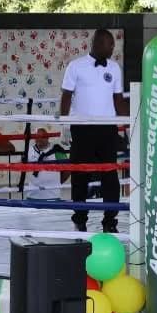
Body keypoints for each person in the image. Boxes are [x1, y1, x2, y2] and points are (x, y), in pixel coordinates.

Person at [61, 29, 127, 235]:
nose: (112, 48)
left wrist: (129, 121)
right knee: (80, 175)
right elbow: (66, 96)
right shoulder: (76, 66)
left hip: (107, 129)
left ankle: (110, 220)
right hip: (82, 128)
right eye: (109, 44)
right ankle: (80, 219)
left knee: (110, 175)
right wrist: (64, 124)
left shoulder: (115, 68)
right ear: (97, 43)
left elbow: (118, 99)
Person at [25, 130, 67, 200]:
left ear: (47, 138)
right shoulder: (29, 150)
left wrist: (56, 184)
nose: (40, 139)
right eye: (37, 137)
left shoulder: (57, 150)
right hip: (32, 195)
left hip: (53, 196)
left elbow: (67, 170)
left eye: (43, 137)